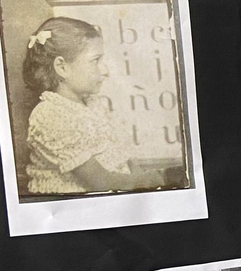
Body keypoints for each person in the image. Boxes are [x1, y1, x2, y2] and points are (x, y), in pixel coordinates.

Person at [22, 17, 157, 197]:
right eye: (95, 61)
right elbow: (100, 183)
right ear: (62, 67)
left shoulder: (93, 103)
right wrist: (152, 181)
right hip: (74, 203)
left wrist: (143, 176)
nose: (105, 70)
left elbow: (121, 154)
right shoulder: (50, 115)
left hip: (113, 190)